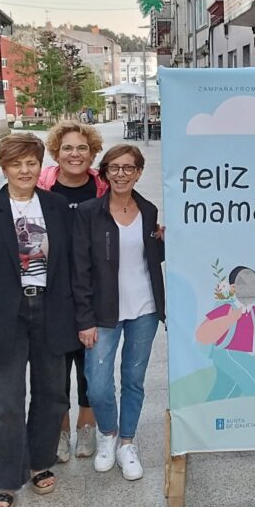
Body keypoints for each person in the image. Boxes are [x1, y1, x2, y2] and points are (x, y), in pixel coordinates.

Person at [0, 133, 79, 507]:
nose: (25, 170)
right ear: (4, 167)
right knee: (6, 400)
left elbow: (71, 263)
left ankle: (39, 461)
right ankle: (7, 479)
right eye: (16, 164)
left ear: (40, 165)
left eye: (31, 162)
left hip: (51, 309)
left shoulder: (56, 205)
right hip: (6, 314)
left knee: (52, 393)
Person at [72, 144, 165, 481]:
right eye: (114, 167)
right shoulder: (89, 212)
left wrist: (162, 241)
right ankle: (107, 434)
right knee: (97, 385)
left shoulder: (149, 210)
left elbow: (149, 256)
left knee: (133, 380)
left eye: (128, 168)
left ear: (139, 172)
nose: (121, 174)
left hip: (144, 309)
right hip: (102, 312)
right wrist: (84, 318)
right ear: (105, 172)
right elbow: (80, 269)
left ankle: (127, 442)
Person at [36, 120, 107, 463]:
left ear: (92, 153)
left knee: (90, 365)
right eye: (67, 148)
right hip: (52, 291)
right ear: (56, 153)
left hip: (95, 290)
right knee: (56, 367)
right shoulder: (40, 188)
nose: (75, 154)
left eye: (82, 148)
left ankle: (86, 426)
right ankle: (61, 429)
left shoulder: (104, 188)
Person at [195, 266, 255, 400]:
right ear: (233, 288)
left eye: (254, 283)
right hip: (227, 352)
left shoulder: (251, 310)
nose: (251, 288)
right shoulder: (228, 308)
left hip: (238, 353)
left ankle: (208, 412)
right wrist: (230, 318)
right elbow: (202, 333)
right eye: (245, 283)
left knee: (228, 389)